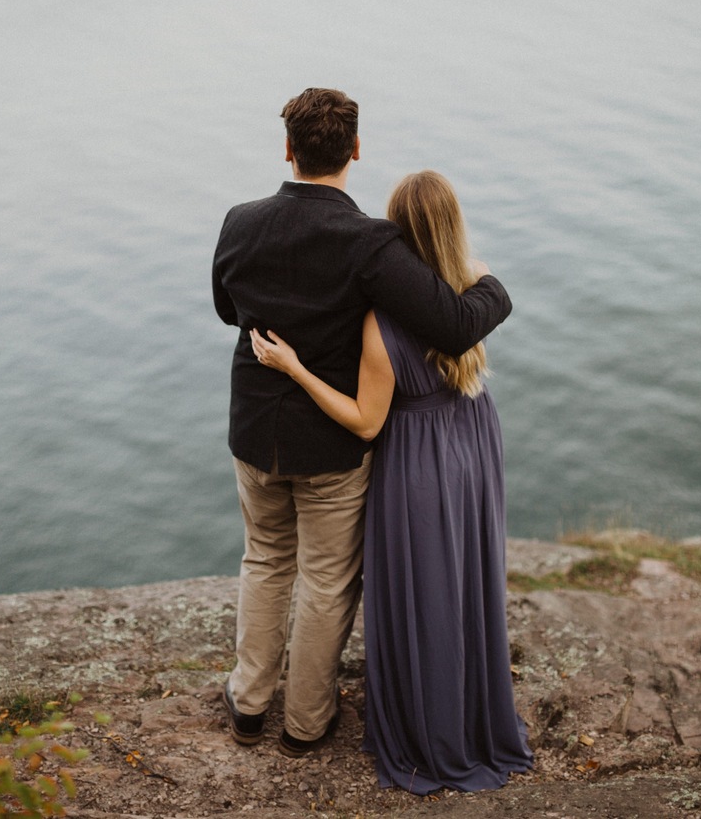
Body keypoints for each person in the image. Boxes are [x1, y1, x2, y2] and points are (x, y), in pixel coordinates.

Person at [212, 89, 512, 758]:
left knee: (263, 559)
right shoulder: (371, 243)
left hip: (255, 429)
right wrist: (492, 287)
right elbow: (454, 326)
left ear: (287, 147)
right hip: (332, 444)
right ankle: (306, 724)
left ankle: (250, 705)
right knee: (325, 580)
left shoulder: (238, 222)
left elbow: (227, 311)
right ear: (354, 150)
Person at [250, 169, 533, 793]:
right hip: (474, 439)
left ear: (395, 228)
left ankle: (430, 729)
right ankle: (473, 710)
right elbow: (485, 300)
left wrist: (296, 368)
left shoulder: (381, 321)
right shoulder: (472, 282)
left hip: (418, 457)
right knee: (465, 580)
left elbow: (364, 419)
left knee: (424, 588)